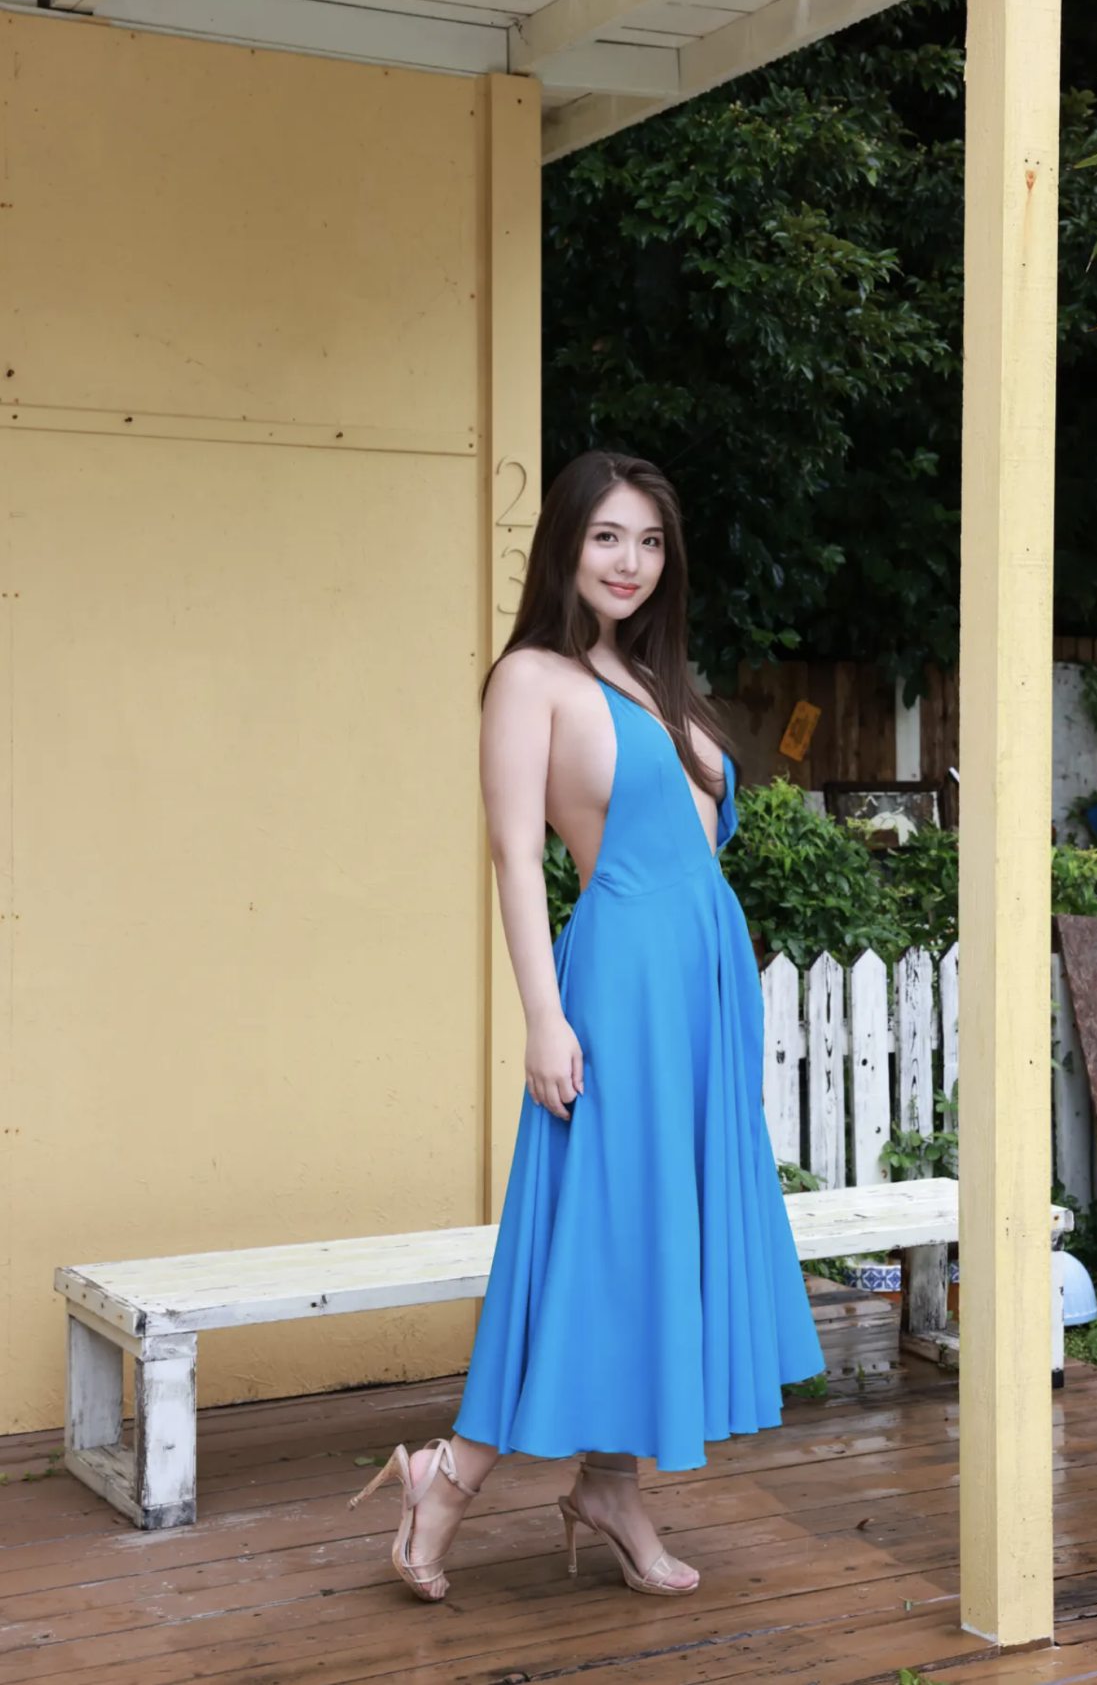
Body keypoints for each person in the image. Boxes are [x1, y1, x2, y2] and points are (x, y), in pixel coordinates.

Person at [348, 450, 825, 1599]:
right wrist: (543, 1017)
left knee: (660, 1238)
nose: (631, 560)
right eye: (609, 535)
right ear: (566, 541)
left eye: (651, 541)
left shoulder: (655, 677)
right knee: (587, 1240)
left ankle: (611, 1485)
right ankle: (445, 1478)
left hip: (699, 998)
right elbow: (516, 855)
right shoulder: (532, 678)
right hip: (617, 989)